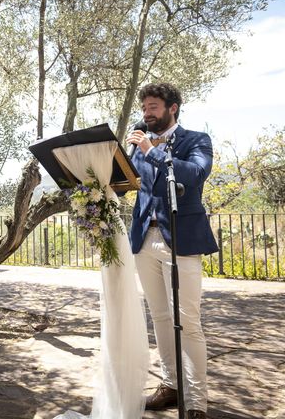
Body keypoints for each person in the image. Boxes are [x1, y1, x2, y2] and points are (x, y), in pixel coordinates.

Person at [126, 83, 218, 419]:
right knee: (161, 318)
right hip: (143, 240)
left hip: (181, 239)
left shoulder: (197, 140)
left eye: (153, 107)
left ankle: (196, 403)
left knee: (188, 322)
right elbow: (130, 182)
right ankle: (170, 385)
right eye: (145, 108)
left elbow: (194, 174)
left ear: (172, 108)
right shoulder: (140, 141)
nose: (147, 113)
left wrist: (152, 150)